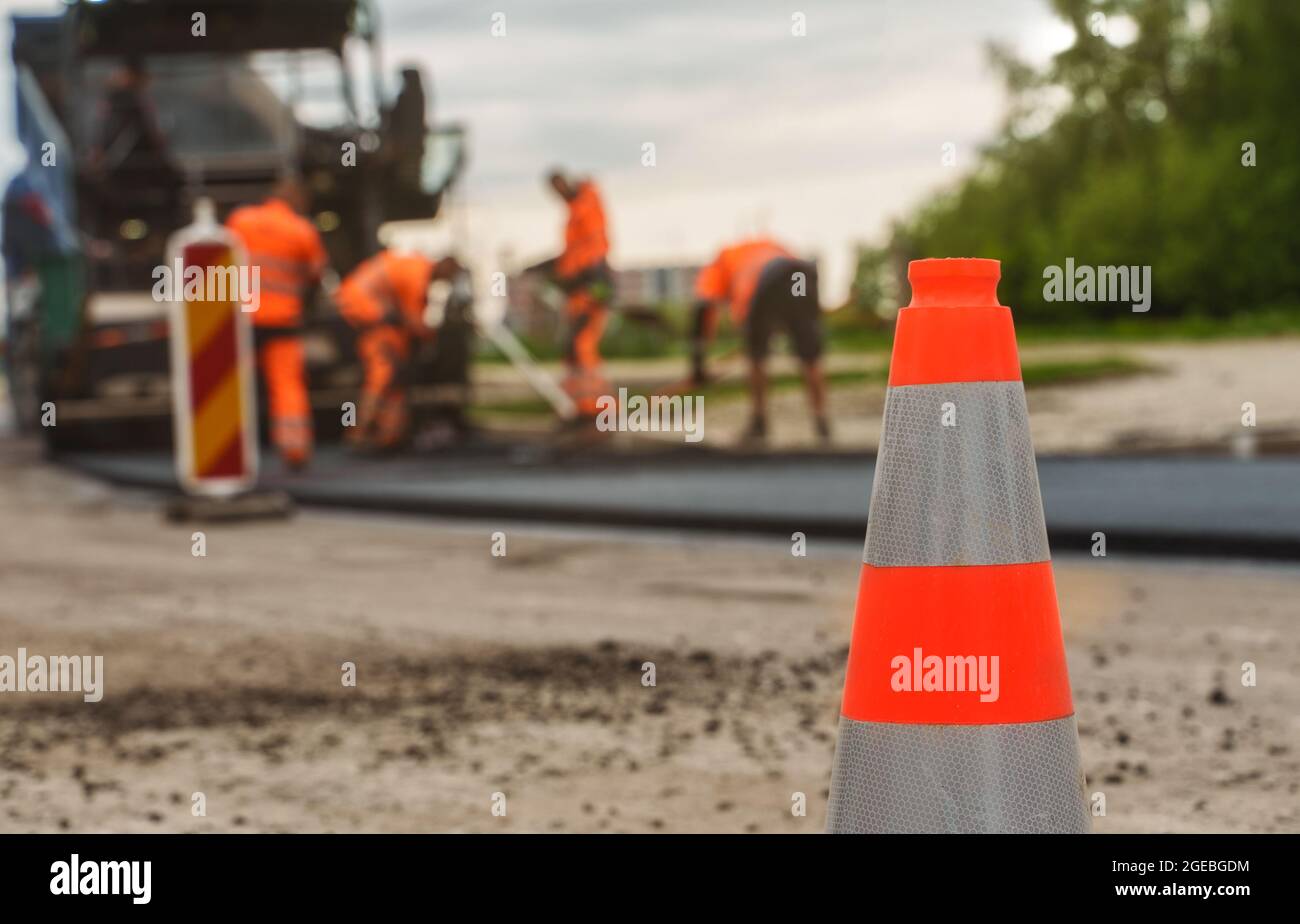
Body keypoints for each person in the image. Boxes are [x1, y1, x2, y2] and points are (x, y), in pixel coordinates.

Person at [226, 176, 329, 469]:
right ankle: (294, 449)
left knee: (230, 385)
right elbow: (316, 275)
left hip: (242, 320)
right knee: (287, 385)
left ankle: (228, 448)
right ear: (296, 200)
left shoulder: (240, 220)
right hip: (283, 321)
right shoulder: (303, 230)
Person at [692, 238, 830, 444]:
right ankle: (822, 422)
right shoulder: (765, 246)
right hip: (800, 275)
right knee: (809, 354)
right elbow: (787, 291)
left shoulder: (722, 260)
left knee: (756, 357)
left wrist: (698, 364)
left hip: (766, 280)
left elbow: (704, 308)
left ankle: (759, 422)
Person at [336, 249, 465, 450]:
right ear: (445, 268)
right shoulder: (417, 275)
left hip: (374, 312)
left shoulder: (416, 269)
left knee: (396, 374)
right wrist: (430, 338)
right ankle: (359, 430)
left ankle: (389, 433)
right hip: (368, 311)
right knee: (384, 373)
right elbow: (413, 318)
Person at [542, 169, 612, 422]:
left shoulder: (587, 204)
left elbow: (595, 250)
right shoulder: (573, 213)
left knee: (583, 346)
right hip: (578, 291)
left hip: (589, 289)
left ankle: (596, 408)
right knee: (573, 349)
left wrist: (595, 285)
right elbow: (573, 256)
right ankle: (582, 407)